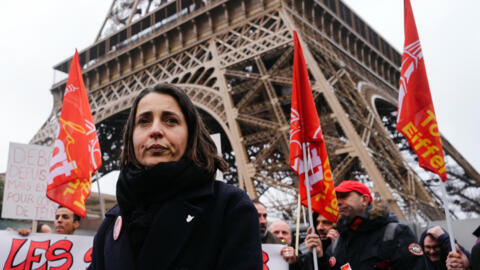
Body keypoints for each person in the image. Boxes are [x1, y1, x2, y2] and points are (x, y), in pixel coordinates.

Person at [89, 84, 262, 269]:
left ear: (191, 134)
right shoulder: (111, 222)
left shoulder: (229, 207)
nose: (155, 130)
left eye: (170, 120)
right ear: (131, 136)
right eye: (143, 121)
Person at [316, 180, 427, 269]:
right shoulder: (338, 242)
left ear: (364, 200)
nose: (338, 202)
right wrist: (320, 257)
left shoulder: (396, 233)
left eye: (344, 196)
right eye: (336, 198)